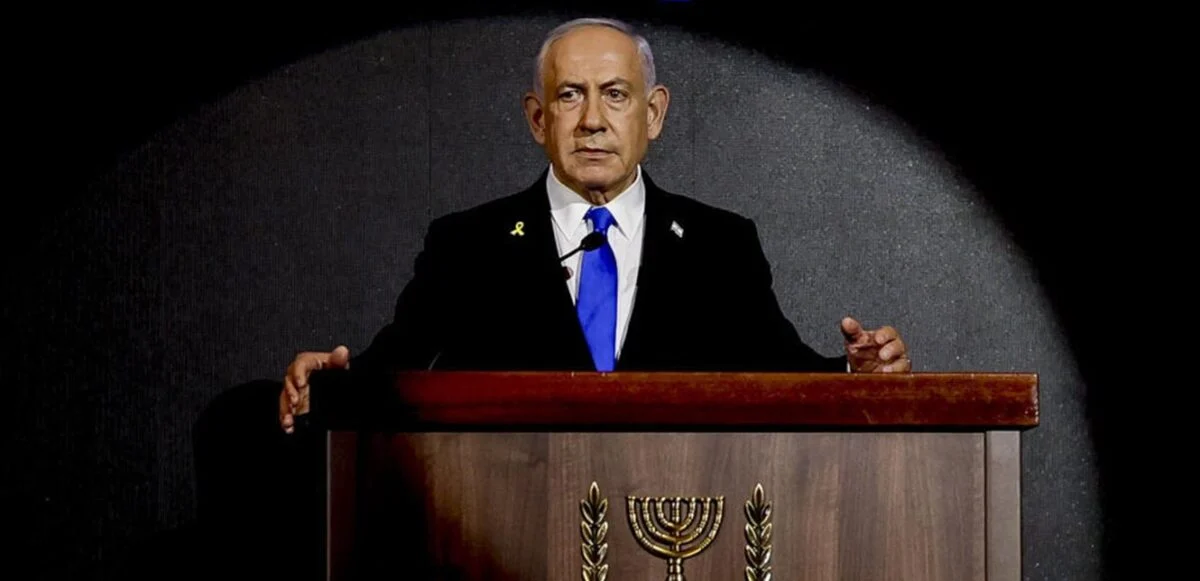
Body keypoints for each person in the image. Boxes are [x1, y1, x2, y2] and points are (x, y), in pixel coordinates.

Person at [278, 17, 911, 433]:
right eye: (569, 95)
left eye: (615, 94)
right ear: (537, 118)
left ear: (653, 114)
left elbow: (785, 376)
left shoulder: (721, 245)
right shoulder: (467, 246)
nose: (591, 121)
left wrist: (857, 376)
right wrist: (330, 385)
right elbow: (390, 371)